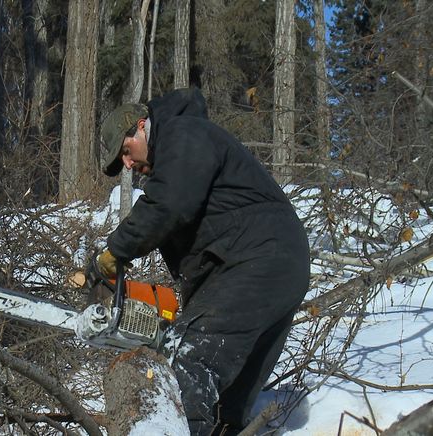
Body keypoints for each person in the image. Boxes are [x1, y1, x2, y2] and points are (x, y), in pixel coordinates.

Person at [95, 88, 310, 436]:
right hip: (273, 264)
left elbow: (168, 207)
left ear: (140, 126)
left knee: (188, 359)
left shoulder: (183, 134)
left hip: (259, 257)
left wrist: (114, 252)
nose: (129, 164)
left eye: (125, 151)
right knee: (229, 403)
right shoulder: (179, 159)